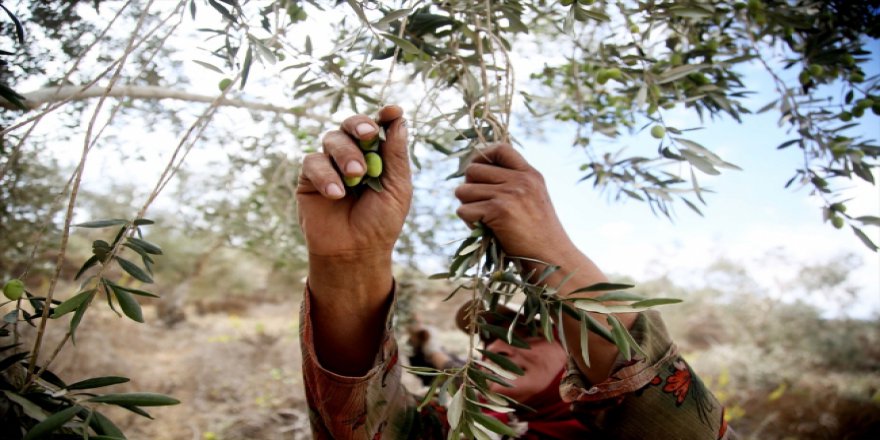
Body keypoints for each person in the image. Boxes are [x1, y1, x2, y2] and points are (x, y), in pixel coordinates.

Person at [296, 105, 735, 439]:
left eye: (528, 330)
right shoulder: (455, 427)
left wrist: (550, 250)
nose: (499, 341)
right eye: (489, 334)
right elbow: (364, 425)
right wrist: (349, 264)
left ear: (579, 361)